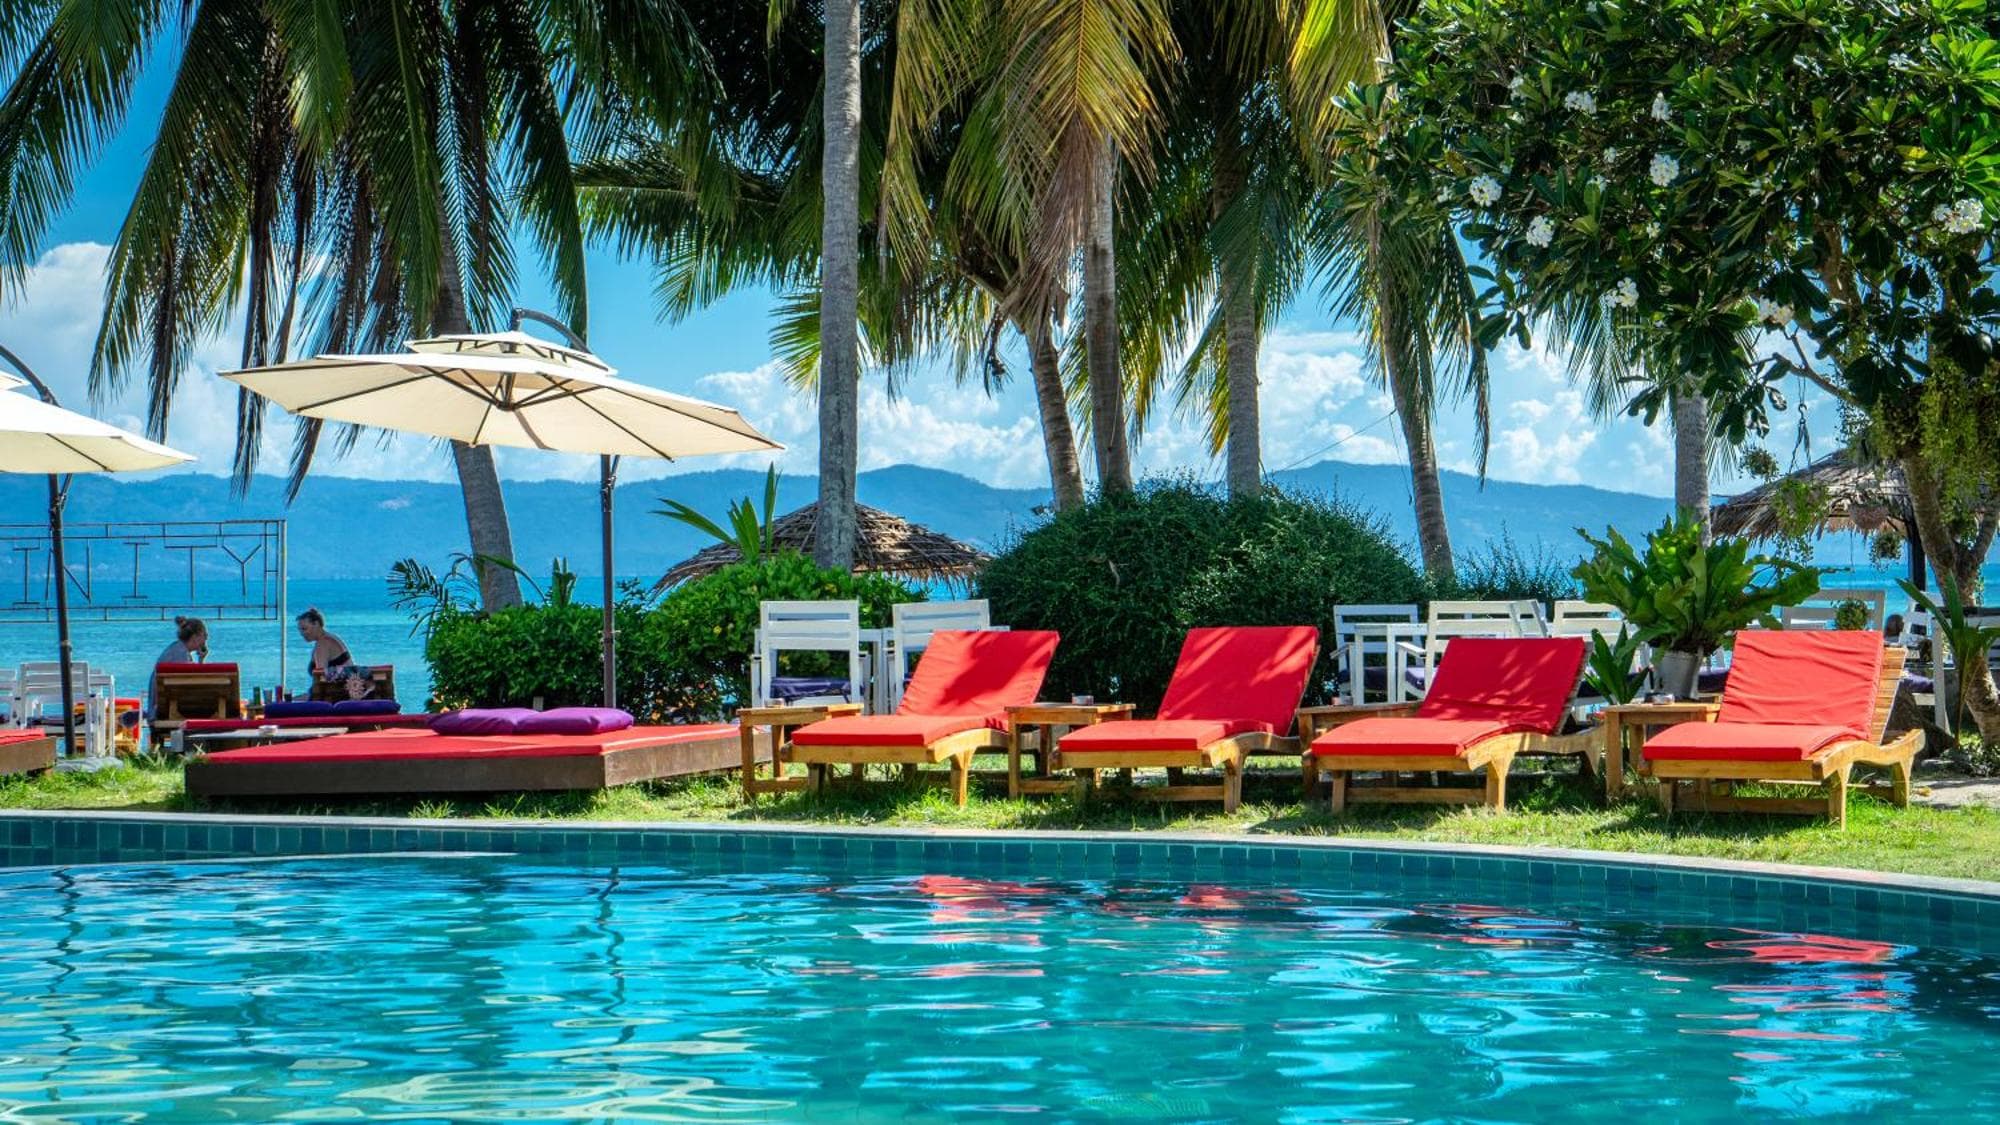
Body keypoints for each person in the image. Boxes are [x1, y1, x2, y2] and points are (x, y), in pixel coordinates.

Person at [296, 607, 355, 687]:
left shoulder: (323, 644)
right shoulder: (331, 637)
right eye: (299, 630)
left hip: (338, 690)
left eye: (304, 629)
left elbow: (321, 677)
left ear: (316, 624)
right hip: (347, 687)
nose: (301, 633)